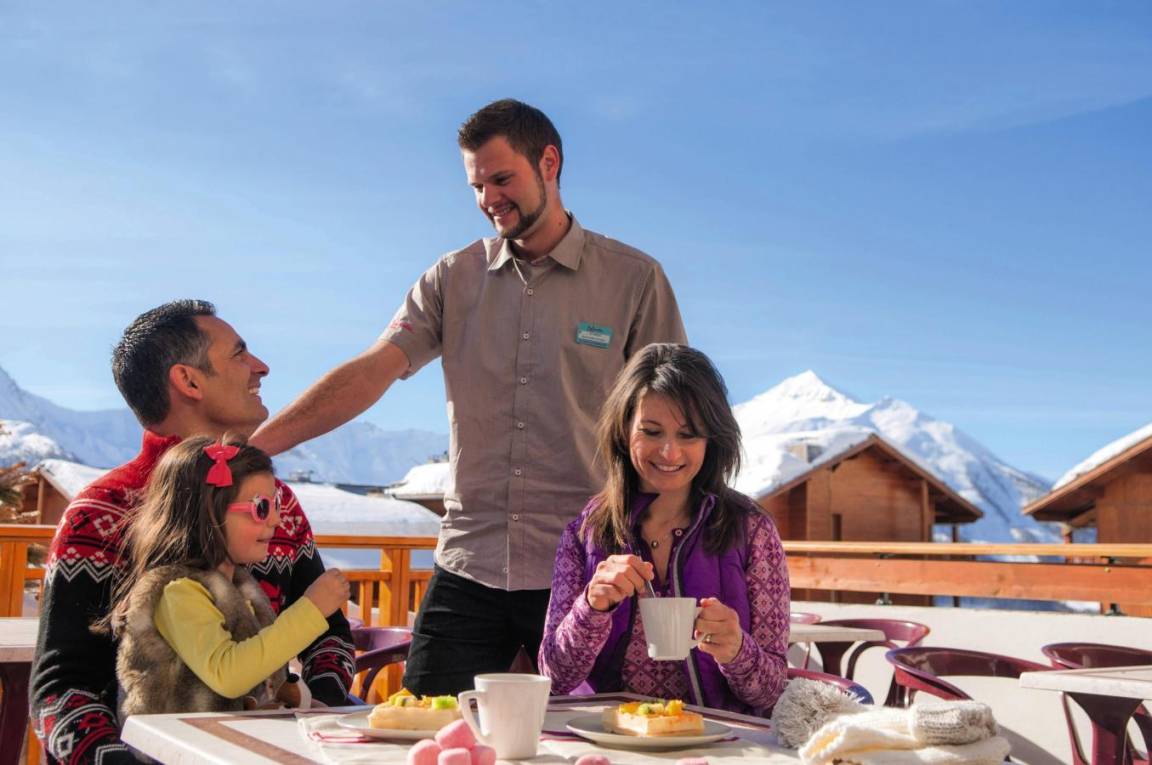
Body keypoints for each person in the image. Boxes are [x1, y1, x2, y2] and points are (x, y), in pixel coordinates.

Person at [251, 99, 687, 695]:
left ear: (550, 163)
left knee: (599, 735)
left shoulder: (634, 280)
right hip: (469, 564)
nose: (489, 199)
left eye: (502, 179)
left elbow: (674, 424)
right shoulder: (451, 279)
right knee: (421, 728)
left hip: (589, 569)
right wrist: (256, 448)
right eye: (477, 186)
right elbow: (374, 370)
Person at [31, 300, 355, 764]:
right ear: (189, 381)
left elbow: (330, 638)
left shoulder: (276, 504)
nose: (261, 367)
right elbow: (60, 687)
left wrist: (317, 709)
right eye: (240, 354)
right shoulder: (100, 512)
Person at [538, 343, 789, 714]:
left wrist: (737, 650)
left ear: (712, 439)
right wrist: (591, 608)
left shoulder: (751, 530)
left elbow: (773, 692)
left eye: (688, 435)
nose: (670, 452)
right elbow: (554, 677)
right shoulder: (586, 532)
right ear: (624, 430)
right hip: (607, 733)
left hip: (717, 737)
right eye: (652, 432)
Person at [105, 436, 349, 719]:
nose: (276, 520)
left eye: (276, 504)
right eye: (261, 507)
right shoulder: (176, 592)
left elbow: (255, 671)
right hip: (177, 743)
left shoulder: (238, 588)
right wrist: (311, 609)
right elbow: (229, 674)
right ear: (209, 513)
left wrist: (296, 701)